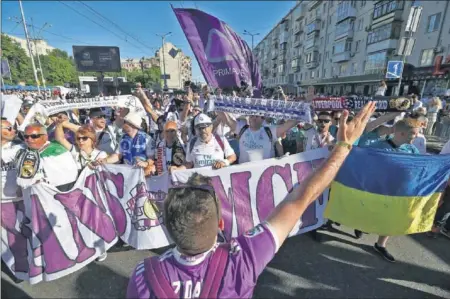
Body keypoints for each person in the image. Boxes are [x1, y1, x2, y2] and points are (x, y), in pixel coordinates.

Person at [126, 102, 376, 299]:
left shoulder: (143, 275)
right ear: (221, 225)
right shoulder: (242, 259)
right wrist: (344, 145)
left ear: (169, 227)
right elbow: (301, 198)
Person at [359, 118, 421, 262]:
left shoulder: (412, 149)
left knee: (391, 218)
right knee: (371, 213)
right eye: (414, 134)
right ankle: (361, 224)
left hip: (398, 192)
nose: (416, 136)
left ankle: (380, 244)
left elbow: (419, 166)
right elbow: (362, 154)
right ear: (401, 134)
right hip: (376, 190)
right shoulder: (378, 147)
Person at [15, 123, 79, 192]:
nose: (29, 139)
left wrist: (61, 123)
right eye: (26, 137)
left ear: (45, 137)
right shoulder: (23, 152)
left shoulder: (60, 149)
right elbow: (22, 182)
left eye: (34, 136)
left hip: (63, 193)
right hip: (38, 196)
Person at [219, 112, 297, 163]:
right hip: (244, 174)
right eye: (251, 115)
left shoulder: (269, 131)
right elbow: (227, 119)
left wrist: (303, 112)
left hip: (265, 174)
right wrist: (214, 101)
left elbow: (287, 126)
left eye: (256, 116)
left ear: (262, 119)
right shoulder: (242, 128)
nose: (253, 118)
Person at [97, 112, 155, 177]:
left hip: (143, 174)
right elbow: (118, 155)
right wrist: (105, 160)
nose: (123, 124)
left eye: (125, 122)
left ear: (132, 125)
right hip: (127, 174)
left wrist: (146, 163)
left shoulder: (147, 139)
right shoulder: (123, 138)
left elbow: (151, 159)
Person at [1, 118, 25, 198]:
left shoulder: (20, 146)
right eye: (9, 128)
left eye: (13, 128)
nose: (14, 131)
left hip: (18, 198)